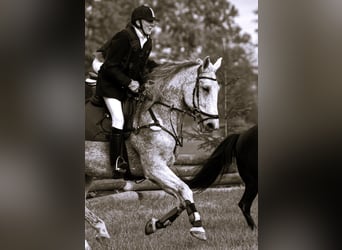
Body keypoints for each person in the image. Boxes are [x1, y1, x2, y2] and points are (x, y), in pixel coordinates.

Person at [95, 5, 159, 177]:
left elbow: (141, 67)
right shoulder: (124, 37)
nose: (152, 25)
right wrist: (129, 82)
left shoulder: (148, 41)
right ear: (138, 22)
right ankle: (116, 162)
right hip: (109, 83)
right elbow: (109, 66)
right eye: (149, 22)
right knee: (118, 118)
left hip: (123, 84)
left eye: (153, 22)